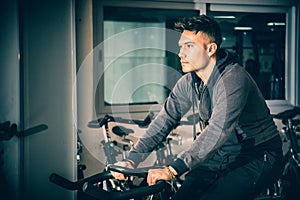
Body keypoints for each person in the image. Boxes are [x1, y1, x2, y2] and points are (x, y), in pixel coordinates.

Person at [112, 15, 284, 200]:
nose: (181, 53)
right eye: (181, 46)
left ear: (211, 49)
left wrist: (172, 170)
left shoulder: (233, 79)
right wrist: (132, 159)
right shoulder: (189, 82)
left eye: (189, 46)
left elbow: (217, 131)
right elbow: (165, 119)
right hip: (221, 155)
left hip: (258, 156)